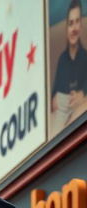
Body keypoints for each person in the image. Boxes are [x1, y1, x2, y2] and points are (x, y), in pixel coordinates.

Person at [51, 0, 87, 133]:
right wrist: (54, 98)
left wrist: (82, 93)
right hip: (62, 108)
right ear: (66, 28)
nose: (74, 28)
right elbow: (56, 89)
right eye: (71, 23)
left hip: (78, 109)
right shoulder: (62, 60)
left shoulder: (85, 57)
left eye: (77, 22)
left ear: (81, 26)